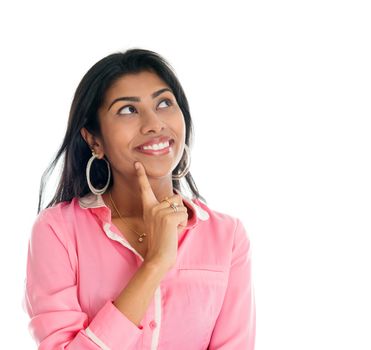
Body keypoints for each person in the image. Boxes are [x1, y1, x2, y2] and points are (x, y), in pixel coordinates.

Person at [22, 48, 256, 349]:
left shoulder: (227, 236)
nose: (154, 124)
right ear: (94, 140)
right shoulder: (57, 231)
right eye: (128, 110)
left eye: (164, 103)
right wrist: (155, 264)